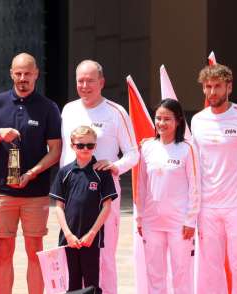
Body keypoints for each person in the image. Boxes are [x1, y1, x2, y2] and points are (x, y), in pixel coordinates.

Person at [0, 52, 62, 294]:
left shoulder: (48, 107)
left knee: (35, 251)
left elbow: (55, 150)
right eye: (18, 73)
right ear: (11, 73)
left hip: (35, 193)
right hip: (2, 192)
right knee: (4, 252)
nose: (22, 78)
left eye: (27, 73)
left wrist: (33, 172)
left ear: (36, 74)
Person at [60, 60, 139, 293]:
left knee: (103, 258)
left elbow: (134, 153)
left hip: (104, 195)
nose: (85, 86)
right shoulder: (69, 110)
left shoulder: (116, 112)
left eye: (90, 81)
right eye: (80, 81)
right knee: (72, 256)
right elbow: (65, 153)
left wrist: (115, 166)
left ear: (102, 83)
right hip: (72, 195)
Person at [191, 63, 237, 293]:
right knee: (210, 268)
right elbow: (193, 163)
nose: (212, 92)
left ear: (229, 87)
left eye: (217, 86)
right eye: (208, 87)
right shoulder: (197, 121)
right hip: (207, 208)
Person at [136, 99, 200, 294]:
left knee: (181, 274)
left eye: (167, 119)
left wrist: (191, 220)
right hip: (152, 221)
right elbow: (142, 186)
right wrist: (140, 217)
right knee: (155, 275)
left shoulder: (187, 149)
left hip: (179, 223)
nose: (161, 123)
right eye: (158, 118)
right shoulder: (147, 147)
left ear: (178, 121)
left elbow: (195, 187)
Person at [51, 126, 117, 293]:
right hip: (69, 238)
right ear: (72, 146)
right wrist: (68, 234)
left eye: (90, 145)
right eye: (80, 145)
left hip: (91, 239)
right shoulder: (65, 172)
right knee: (71, 283)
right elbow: (58, 207)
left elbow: (107, 206)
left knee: (91, 284)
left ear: (95, 146)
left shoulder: (102, 173)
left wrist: (92, 234)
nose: (85, 149)